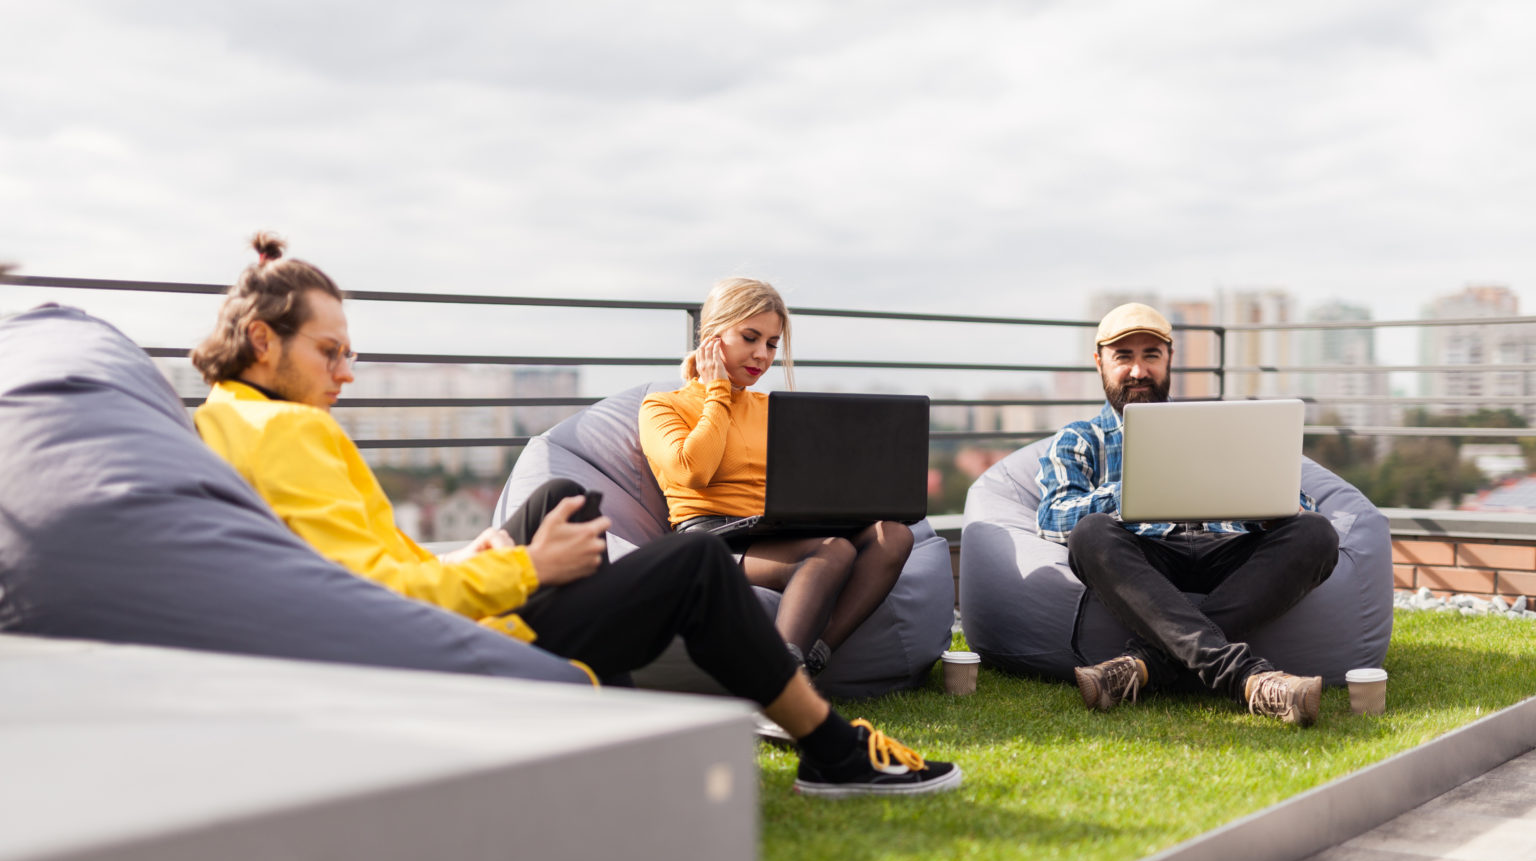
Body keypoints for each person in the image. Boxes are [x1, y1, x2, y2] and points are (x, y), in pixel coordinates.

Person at [190, 234, 961, 798]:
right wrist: (527, 567)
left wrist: (479, 557)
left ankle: (617, 730)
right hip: (444, 646)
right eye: (331, 352)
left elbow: (364, 567)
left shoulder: (233, 419)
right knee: (692, 565)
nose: (346, 373)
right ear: (263, 341)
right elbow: (377, 596)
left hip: (442, 610)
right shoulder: (290, 433)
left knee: (561, 501)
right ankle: (831, 747)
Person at [1036, 302, 1339, 726]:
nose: (1138, 371)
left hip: (1231, 556)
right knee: (1090, 536)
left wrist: (1267, 507)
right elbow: (1053, 518)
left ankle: (1144, 666)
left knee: (1317, 534)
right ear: (1099, 363)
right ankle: (1249, 680)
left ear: (1170, 360)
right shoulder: (1079, 439)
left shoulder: (1220, 426)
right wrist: (1132, 490)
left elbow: (1301, 505)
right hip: (1145, 563)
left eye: (1151, 356)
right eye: (1124, 357)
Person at [639, 277, 914, 679]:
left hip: (777, 528)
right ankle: (778, 682)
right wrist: (717, 390)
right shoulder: (662, 406)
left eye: (771, 344)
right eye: (750, 337)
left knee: (895, 535)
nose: (761, 355)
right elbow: (692, 469)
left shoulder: (773, 407)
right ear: (712, 337)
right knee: (833, 551)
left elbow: (808, 479)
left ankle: (811, 657)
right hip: (711, 540)